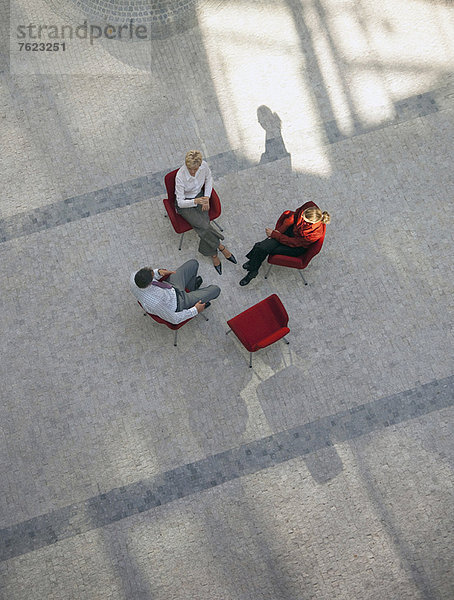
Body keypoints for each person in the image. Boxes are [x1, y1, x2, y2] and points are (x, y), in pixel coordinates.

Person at [175, 150, 237, 274]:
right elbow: (180, 202)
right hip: (185, 204)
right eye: (190, 169)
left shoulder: (204, 166)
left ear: (199, 165)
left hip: (201, 197)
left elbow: (209, 179)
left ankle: (214, 254)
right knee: (204, 225)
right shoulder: (180, 176)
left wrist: (207, 198)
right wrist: (196, 201)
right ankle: (220, 248)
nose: (192, 172)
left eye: (195, 169)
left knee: (204, 226)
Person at [239, 204, 330, 286]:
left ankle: (251, 269)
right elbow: (293, 217)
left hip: (295, 247)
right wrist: (279, 231)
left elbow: (294, 242)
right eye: (302, 214)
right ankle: (253, 269)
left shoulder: (315, 234)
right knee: (261, 247)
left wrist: (275, 235)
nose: (301, 216)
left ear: (312, 222)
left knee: (261, 247)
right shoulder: (308, 206)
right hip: (288, 233)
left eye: (304, 217)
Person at [130, 259, 220, 325]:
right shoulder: (155, 303)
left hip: (170, 286)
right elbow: (174, 319)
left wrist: (158, 272)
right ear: (149, 283)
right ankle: (193, 301)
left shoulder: (134, 276)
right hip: (178, 303)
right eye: (153, 276)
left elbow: (152, 274)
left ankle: (191, 290)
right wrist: (195, 310)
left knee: (194, 263)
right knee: (216, 290)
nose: (154, 274)